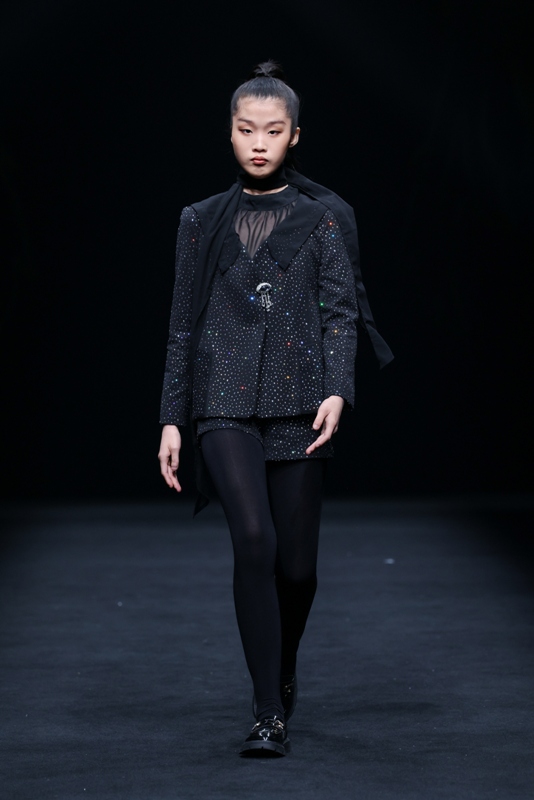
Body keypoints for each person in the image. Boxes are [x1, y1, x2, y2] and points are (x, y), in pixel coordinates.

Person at [158, 61, 392, 757]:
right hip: (222, 399)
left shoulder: (323, 220)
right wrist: (171, 416)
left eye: (272, 130)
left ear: (294, 136)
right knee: (254, 542)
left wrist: (338, 389)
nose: (258, 142)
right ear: (229, 133)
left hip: (300, 402)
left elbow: (339, 313)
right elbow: (181, 325)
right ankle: (267, 713)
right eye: (245, 129)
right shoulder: (199, 221)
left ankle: (282, 666)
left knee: (297, 571)